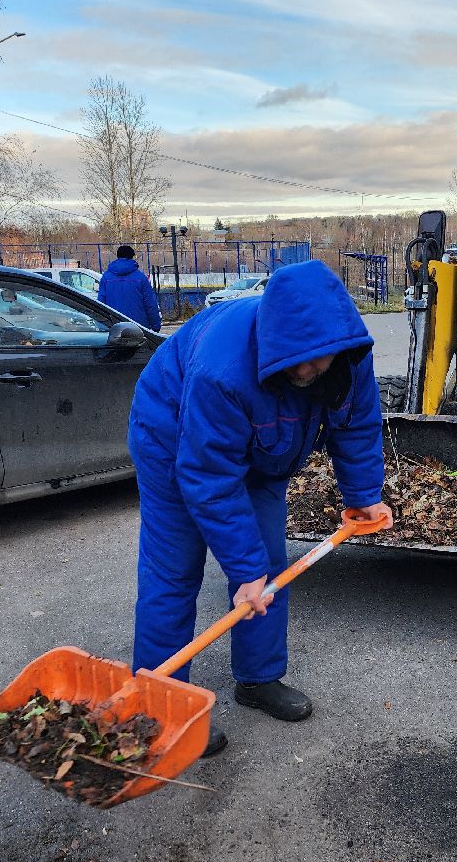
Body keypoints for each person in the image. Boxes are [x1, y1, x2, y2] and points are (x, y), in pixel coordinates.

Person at [127, 259, 391, 756]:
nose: (308, 371)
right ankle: (160, 712)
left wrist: (363, 496)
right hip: (172, 440)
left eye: (320, 360)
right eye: (298, 362)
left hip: (264, 454)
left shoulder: (350, 357)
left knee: (269, 569)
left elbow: (356, 424)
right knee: (174, 575)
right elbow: (207, 474)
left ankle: (257, 679)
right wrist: (241, 568)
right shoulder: (222, 370)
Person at [98, 245, 162, 329]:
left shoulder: (106, 277)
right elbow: (150, 304)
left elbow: (101, 303)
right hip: (139, 326)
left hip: (114, 325)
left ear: (118, 256)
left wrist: (102, 325)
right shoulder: (141, 277)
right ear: (132, 257)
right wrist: (155, 326)